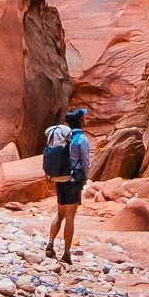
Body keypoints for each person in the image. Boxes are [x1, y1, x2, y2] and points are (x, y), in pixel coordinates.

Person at [44, 108, 91, 263]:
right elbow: (85, 162)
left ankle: (50, 244)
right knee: (70, 218)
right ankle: (66, 253)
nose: (86, 119)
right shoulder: (81, 139)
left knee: (60, 213)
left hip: (60, 179)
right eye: (84, 117)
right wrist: (86, 178)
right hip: (73, 181)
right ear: (80, 121)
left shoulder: (63, 138)